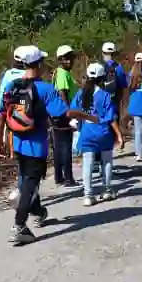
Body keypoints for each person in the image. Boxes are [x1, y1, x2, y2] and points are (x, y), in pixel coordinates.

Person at [0, 46, 97, 245]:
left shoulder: (12, 85)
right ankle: (18, 227)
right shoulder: (45, 89)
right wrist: (89, 116)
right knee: (29, 186)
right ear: (39, 64)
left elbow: (2, 114)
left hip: (18, 143)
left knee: (28, 183)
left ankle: (39, 212)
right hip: (37, 147)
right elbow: (64, 113)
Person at [71, 63, 124, 205]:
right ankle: (107, 190)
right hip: (103, 132)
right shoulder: (105, 95)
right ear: (102, 78)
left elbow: (72, 112)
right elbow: (110, 117)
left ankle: (88, 195)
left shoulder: (80, 94)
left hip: (87, 132)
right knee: (106, 161)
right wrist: (118, 135)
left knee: (87, 164)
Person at [51, 45, 79, 186]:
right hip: (64, 114)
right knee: (65, 146)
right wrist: (70, 114)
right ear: (61, 60)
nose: (70, 61)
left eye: (71, 58)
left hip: (61, 114)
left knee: (59, 146)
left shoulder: (64, 73)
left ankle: (59, 176)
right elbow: (63, 94)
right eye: (66, 58)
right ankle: (68, 178)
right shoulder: (62, 73)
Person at [100, 42, 128, 118]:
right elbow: (124, 85)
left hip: (101, 102)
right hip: (114, 102)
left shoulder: (99, 68)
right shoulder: (119, 68)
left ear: (102, 53)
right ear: (115, 54)